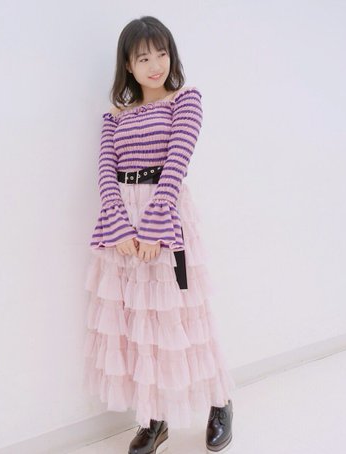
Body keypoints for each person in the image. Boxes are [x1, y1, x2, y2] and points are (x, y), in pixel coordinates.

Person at [82, 16, 237, 454]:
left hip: (165, 218)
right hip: (122, 226)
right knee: (138, 322)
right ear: (128, 66)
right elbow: (106, 173)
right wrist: (117, 223)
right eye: (143, 58)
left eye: (161, 54)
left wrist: (155, 225)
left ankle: (220, 401)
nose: (155, 65)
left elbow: (176, 164)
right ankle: (154, 419)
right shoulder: (114, 117)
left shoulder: (185, 101)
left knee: (183, 315)